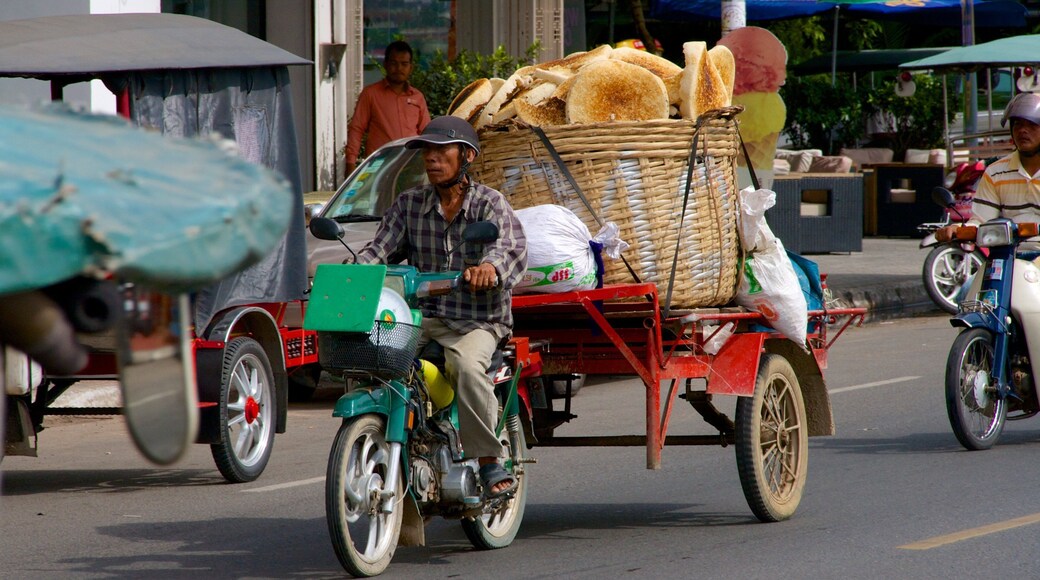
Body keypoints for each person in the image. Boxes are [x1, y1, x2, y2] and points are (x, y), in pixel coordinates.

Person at [355, 116, 528, 499]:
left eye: (440, 150)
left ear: (465, 155)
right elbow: (379, 250)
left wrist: (489, 268)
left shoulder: (489, 203)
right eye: (426, 152)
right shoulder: (409, 204)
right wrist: (350, 274)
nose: (431, 159)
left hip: (477, 322)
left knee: (466, 367)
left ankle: (488, 461)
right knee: (373, 359)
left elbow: (511, 249)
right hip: (420, 318)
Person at [937, 92, 1040, 244]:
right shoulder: (995, 172)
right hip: (1009, 256)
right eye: (1017, 124)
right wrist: (957, 229)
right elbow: (981, 221)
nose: (1023, 130)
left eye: (1032, 124)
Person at [344, 40, 431, 176]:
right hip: (379, 166)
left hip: (411, 166)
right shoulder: (370, 94)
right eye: (393, 63)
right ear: (385, 64)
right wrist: (350, 164)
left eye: (404, 64)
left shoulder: (418, 97)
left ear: (411, 67)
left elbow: (427, 134)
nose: (399, 68)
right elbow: (357, 129)